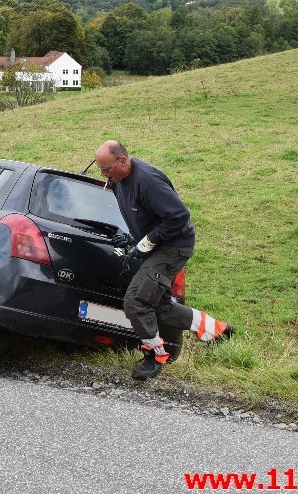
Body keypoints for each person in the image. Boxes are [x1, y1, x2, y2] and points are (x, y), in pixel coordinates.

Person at [95, 140, 234, 380]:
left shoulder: (147, 181)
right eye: (101, 170)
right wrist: (131, 239)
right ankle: (218, 331)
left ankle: (156, 356)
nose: (105, 175)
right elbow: (146, 216)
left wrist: (147, 242)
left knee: (136, 301)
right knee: (160, 307)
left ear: (122, 160)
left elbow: (179, 216)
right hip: (158, 245)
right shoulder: (118, 181)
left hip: (174, 246)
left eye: (107, 169)